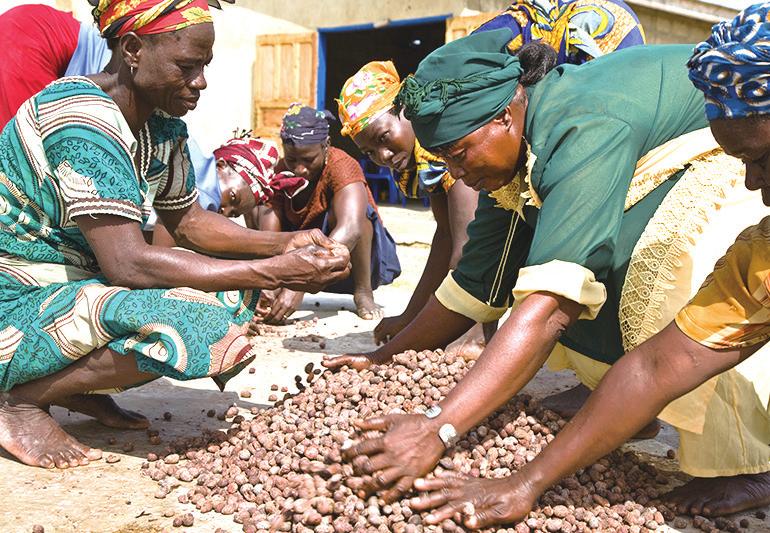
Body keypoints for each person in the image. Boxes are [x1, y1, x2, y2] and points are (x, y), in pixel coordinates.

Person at [331, 28, 770, 510]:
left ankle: (749, 461)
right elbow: (477, 281)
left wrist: (440, 426)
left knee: (651, 265)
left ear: (503, 117)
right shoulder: (511, 154)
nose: (456, 174)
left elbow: (551, 306)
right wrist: (383, 360)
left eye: (459, 155)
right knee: (560, 263)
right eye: (444, 161)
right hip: (704, 145)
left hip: (717, 153)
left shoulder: (580, 125)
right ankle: (621, 404)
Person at [0, 0, 350, 470]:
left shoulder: (162, 128)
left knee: (232, 296)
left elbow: (189, 220)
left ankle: (76, 388)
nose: (201, 81)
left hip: (67, 290)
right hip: (15, 299)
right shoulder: (80, 118)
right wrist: (273, 270)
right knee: (198, 325)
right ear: (132, 50)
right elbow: (127, 263)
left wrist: (286, 243)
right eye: (187, 66)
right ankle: (18, 402)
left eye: (203, 66)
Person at [336, 0, 646, 352]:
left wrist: (472, 333)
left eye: (383, 139)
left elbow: (471, 252)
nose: (383, 157)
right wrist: (410, 321)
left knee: (574, 255)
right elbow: (451, 243)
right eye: (370, 153)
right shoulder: (437, 154)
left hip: (604, 126)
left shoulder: (458, 140)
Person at [249, 103, 401, 322]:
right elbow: (269, 236)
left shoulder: (342, 165)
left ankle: (363, 292)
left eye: (309, 160)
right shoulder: (281, 171)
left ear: (326, 146)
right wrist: (271, 282)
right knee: (259, 202)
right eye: (292, 159)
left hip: (353, 262)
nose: (299, 168)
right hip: (302, 261)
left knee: (361, 216)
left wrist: (299, 284)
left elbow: (350, 229)